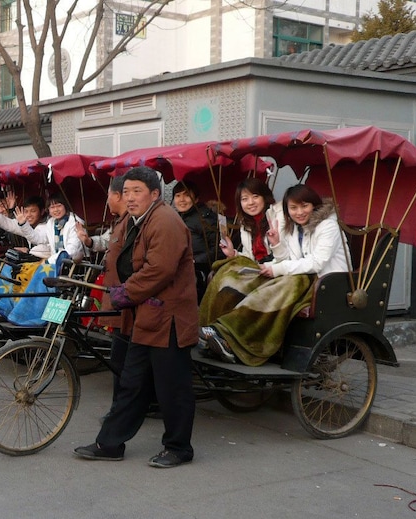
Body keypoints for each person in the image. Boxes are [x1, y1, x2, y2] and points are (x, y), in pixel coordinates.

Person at [74, 166, 199, 468]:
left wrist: (126, 292)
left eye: (136, 191)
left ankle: (179, 447)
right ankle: (111, 443)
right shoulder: (134, 220)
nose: (129, 198)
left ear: (155, 194)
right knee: (131, 382)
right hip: (146, 315)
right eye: (126, 191)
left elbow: (160, 270)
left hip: (168, 317)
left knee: (173, 386)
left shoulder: (166, 221)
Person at [200, 184, 350, 366]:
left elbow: (317, 262)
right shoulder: (294, 229)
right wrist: (276, 247)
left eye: (305, 206)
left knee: (284, 284)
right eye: (293, 208)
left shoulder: (328, 226)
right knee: (243, 278)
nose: (299, 212)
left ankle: (227, 334)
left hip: (327, 284)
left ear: (314, 206)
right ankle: (214, 330)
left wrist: (276, 269)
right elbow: (289, 258)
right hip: (302, 277)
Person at [172, 181, 220, 302]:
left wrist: (195, 261)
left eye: (187, 195)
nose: (182, 199)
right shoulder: (175, 217)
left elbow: (218, 249)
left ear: (196, 199)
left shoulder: (205, 218)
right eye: (178, 196)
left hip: (200, 270)